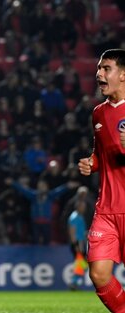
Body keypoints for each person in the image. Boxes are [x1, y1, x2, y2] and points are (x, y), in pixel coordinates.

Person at [78, 48, 125, 313]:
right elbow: (101, 154)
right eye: (98, 68)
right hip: (106, 209)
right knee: (99, 274)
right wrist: (91, 163)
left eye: (106, 68)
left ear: (123, 75)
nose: (99, 74)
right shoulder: (98, 113)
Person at [67, 200, 88, 290]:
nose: (84, 208)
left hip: (81, 242)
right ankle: (74, 282)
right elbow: (72, 231)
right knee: (82, 263)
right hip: (78, 243)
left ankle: (74, 282)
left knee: (81, 264)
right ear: (78, 207)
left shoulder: (79, 216)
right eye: (83, 206)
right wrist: (75, 244)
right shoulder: (74, 217)